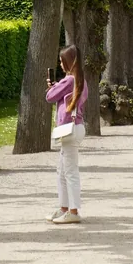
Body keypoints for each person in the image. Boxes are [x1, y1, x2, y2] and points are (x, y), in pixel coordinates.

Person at [46, 45, 87, 225]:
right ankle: (64, 208)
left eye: (62, 62)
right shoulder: (80, 80)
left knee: (69, 172)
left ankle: (73, 211)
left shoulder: (69, 80)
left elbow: (49, 96)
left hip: (69, 129)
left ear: (68, 62)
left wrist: (55, 86)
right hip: (76, 127)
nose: (61, 65)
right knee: (62, 171)